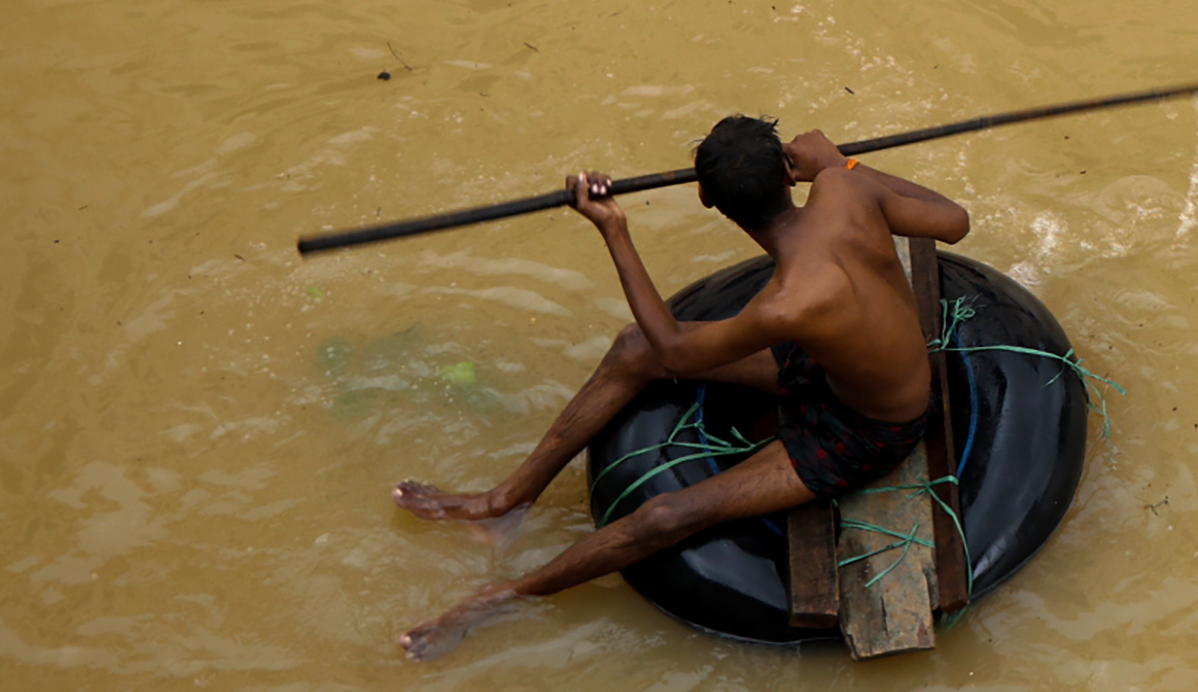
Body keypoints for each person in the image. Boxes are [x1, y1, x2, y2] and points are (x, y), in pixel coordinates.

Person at [392, 116, 970, 659]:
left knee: (665, 516)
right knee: (631, 349)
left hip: (870, 427)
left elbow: (675, 350)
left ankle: (502, 598)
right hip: (832, 366)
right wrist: (841, 164)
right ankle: (505, 501)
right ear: (789, 171)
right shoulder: (845, 188)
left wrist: (614, 227)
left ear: (706, 200)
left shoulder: (786, 303)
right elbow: (955, 220)